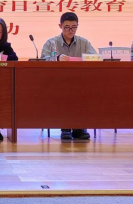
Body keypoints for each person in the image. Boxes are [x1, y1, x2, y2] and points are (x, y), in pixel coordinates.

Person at [41, 12, 96, 141]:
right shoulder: (51, 42)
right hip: (57, 82)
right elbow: (42, 60)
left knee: (83, 91)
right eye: (67, 27)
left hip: (79, 81)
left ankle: (79, 127)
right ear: (60, 26)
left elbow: (95, 58)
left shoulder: (84, 42)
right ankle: (65, 127)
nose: (70, 30)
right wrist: (56, 58)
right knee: (64, 91)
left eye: (74, 27)